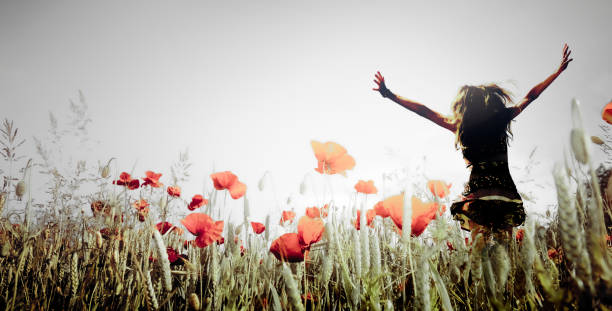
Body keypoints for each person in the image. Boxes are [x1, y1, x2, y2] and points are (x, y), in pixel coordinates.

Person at [373, 44, 573, 244]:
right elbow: (531, 96)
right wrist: (557, 72)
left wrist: (390, 94)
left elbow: (424, 111)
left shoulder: (460, 125)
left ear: (464, 105)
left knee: (479, 254)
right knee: (505, 253)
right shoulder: (501, 119)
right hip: (504, 193)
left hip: (478, 195)